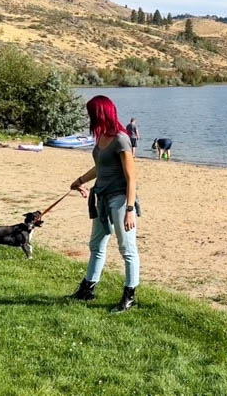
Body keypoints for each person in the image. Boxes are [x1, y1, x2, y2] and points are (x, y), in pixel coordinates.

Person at [67, 95, 139, 313]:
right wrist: (80, 180)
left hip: (120, 199)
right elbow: (100, 167)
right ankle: (87, 289)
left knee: (127, 248)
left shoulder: (121, 139)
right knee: (96, 245)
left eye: (91, 113)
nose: (89, 117)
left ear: (100, 113)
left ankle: (130, 296)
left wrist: (129, 209)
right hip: (101, 197)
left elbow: (131, 177)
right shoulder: (102, 137)